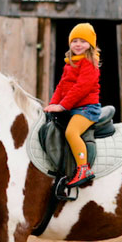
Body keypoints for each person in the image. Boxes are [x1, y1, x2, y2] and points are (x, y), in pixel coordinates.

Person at [44, 22, 101, 187]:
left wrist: (62, 106)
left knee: (71, 132)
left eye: (83, 41)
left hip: (87, 108)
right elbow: (61, 86)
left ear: (90, 44)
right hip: (73, 107)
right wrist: (52, 104)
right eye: (74, 40)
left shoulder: (89, 63)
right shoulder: (70, 63)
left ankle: (84, 168)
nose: (78, 44)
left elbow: (81, 88)